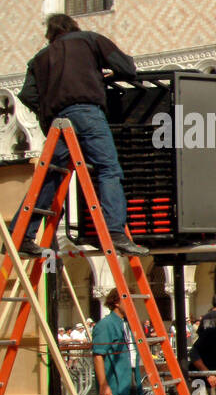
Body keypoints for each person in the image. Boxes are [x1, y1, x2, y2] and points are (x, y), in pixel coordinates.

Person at [10, 14, 147, 257]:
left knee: (50, 175)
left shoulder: (39, 58)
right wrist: (104, 78)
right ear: (74, 26)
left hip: (58, 122)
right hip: (86, 112)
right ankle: (114, 232)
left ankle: (20, 235)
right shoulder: (90, 40)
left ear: (50, 34)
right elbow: (127, 68)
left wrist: (48, 111)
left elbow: (27, 94)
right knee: (108, 169)